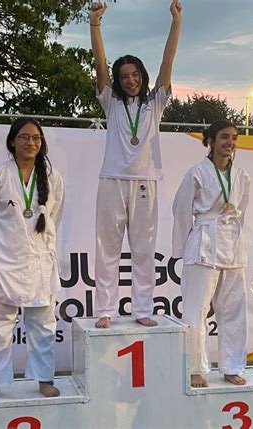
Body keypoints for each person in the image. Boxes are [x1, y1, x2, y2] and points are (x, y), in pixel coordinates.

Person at [89, 0, 182, 328]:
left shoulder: (155, 103)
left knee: (144, 249)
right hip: (112, 179)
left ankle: (143, 309)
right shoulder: (110, 103)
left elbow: (167, 60)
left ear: (142, 76)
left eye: (135, 75)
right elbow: (100, 63)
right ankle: (105, 310)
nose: (130, 80)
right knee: (107, 249)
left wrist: (176, 22)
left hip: (146, 181)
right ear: (117, 80)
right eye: (124, 76)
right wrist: (95, 24)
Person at [0, 118, 65, 401]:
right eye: (24, 137)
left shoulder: (52, 177)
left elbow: (54, 217)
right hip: (5, 258)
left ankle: (43, 378)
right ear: (12, 141)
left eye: (36, 138)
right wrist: (5, 241)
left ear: (42, 143)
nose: (31, 143)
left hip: (38, 260)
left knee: (42, 324)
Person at [172, 120, 251, 388]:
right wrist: (183, 248)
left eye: (234, 138)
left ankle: (232, 365)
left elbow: (242, 208)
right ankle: (194, 367)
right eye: (225, 137)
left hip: (232, 244)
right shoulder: (196, 173)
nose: (230, 143)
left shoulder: (242, 176)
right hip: (204, 242)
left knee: (233, 311)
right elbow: (181, 211)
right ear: (211, 141)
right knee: (196, 310)